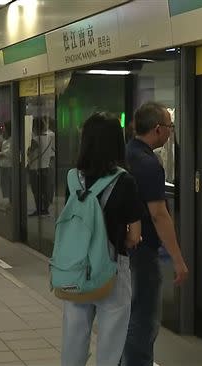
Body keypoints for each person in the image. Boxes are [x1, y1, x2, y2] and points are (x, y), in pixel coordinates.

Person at [60, 112, 143, 366]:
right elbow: (134, 235)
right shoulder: (124, 180)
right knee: (111, 342)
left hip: (76, 268)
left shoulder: (73, 178)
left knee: (74, 337)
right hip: (112, 270)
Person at [123, 102, 189, 366]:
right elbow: (158, 214)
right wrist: (178, 259)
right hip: (143, 250)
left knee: (129, 315)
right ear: (158, 129)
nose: (172, 132)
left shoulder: (127, 153)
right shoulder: (149, 164)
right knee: (145, 318)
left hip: (126, 248)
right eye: (170, 127)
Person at [27, 117, 56, 216]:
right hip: (46, 167)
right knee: (44, 190)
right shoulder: (49, 138)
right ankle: (45, 209)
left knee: (37, 191)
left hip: (35, 168)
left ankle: (39, 209)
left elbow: (29, 153)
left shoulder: (35, 140)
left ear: (34, 127)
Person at [0, 121, 12, 201]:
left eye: (4, 128)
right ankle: (10, 202)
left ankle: (12, 203)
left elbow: (8, 153)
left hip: (9, 166)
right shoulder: (6, 140)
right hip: (4, 165)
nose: (3, 130)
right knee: (6, 185)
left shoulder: (12, 140)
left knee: (9, 186)